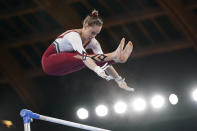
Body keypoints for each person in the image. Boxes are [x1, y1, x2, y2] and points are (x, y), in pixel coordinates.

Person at [41, 10, 134, 92]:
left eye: (96, 34)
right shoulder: (73, 36)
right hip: (49, 62)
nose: (93, 36)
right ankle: (114, 56)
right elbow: (84, 57)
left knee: (98, 60)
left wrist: (119, 80)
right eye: (92, 32)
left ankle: (117, 58)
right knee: (84, 57)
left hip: (63, 69)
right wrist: (97, 70)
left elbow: (103, 61)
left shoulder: (93, 42)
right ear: (85, 26)